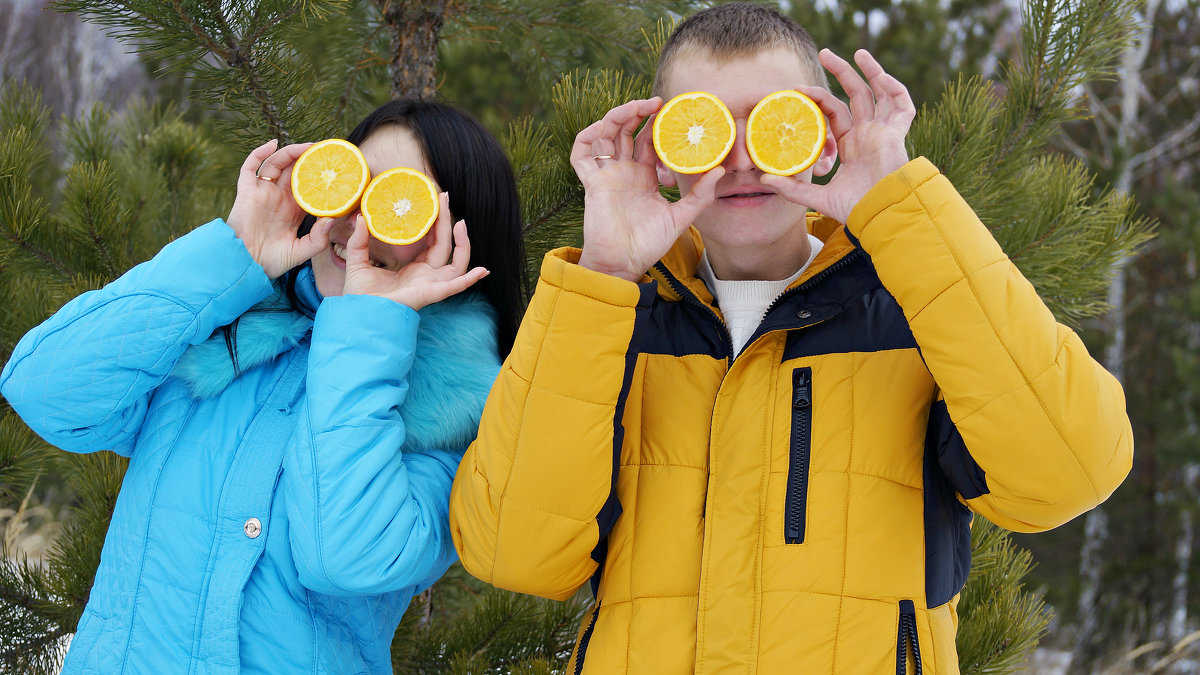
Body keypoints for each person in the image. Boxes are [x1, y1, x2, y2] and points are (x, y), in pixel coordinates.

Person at [448, 4, 1132, 673]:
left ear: (826, 139)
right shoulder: (610, 323)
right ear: (660, 152)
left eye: (778, 124)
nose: (743, 160)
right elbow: (513, 549)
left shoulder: (915, 311)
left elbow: (1069, 472)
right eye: (707, 127)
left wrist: (900, 208)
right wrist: (600, 276)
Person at [0, 99, 525, 674]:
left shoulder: (455, 419)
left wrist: (367, 324)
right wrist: (235, 255)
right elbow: (46, 389)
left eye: (398, 199)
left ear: (457, 238)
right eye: (353, 183)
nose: (357, 220)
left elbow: (347, 557)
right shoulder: (224, 341)